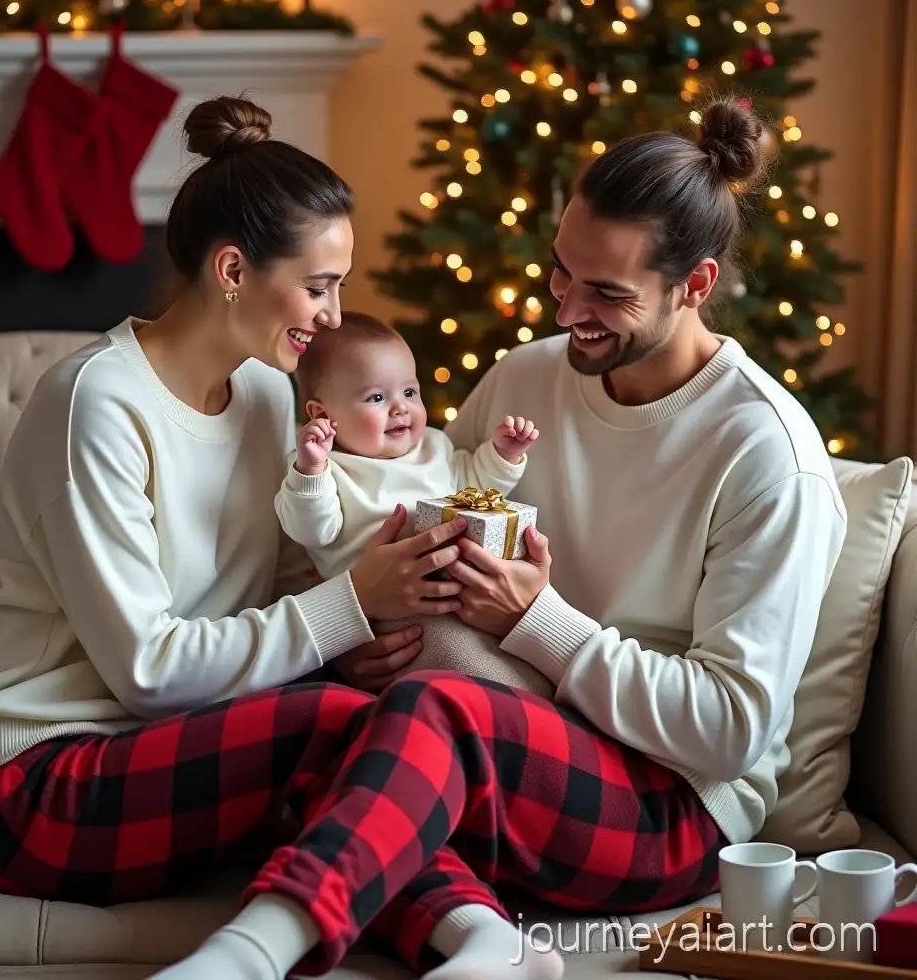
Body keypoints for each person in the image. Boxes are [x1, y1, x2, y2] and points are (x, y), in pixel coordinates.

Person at [152, 95, 847, 976]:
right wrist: (352, 641)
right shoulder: (528, 377)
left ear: (696, 285)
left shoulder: (767, 455)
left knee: (428, 707)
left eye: (606, 293)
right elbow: (394, 520)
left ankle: (250, 956)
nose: (566, 312)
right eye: (562, 273)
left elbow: (730, 732)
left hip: (671, 804)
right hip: (493, 736)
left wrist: (539, 621)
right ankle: (486, 943)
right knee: (341, 718)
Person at [0, 95, 562, 980]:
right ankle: (411, 941)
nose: (335, 317)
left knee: (372, 720)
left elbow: (276, 592)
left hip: (195, 740)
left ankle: (474, 938)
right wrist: (348, 609)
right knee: (347, 727)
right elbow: (148, 671)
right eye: (318, 285)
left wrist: (349, 642)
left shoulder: (271, 397)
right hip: (33, 782)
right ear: (232, 269)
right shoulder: (96, 406)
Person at [274, 310, 553, 695]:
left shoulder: (433, 447)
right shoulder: (327, 470)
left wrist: (503, 456)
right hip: (387, 611)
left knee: (523, 659)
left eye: (409, 392)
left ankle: (541, 704)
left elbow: (474, 485)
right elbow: (311, 529)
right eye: (377, 397)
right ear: (323, 415)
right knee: (465, 669)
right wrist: (310, 470)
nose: (401, 407)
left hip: (462, 591)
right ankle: (513, 713)